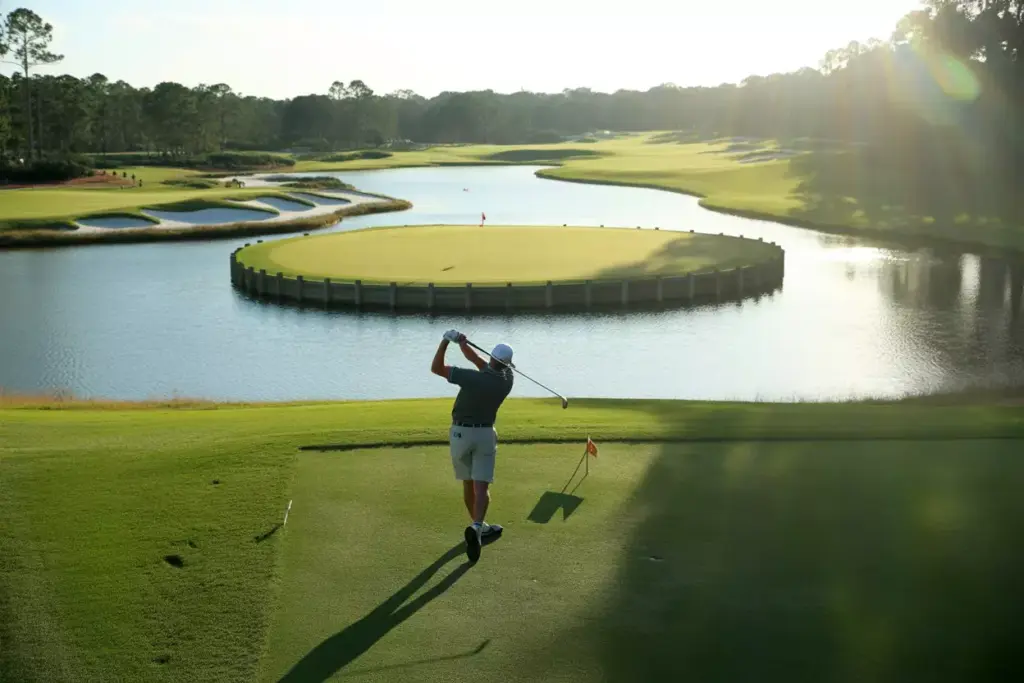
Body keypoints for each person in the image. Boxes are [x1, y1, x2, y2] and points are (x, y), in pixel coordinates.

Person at [431, 328, 515, 563]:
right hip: (485, 435)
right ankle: (478, 526)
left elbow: (436, 368)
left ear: (492, 359)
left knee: (468, 483)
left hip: (459, 435)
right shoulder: (507, 380)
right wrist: (463, 345)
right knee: (482, 486)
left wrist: (445, 342)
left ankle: (478, 527)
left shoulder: (472, 378)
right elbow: (480, 362)